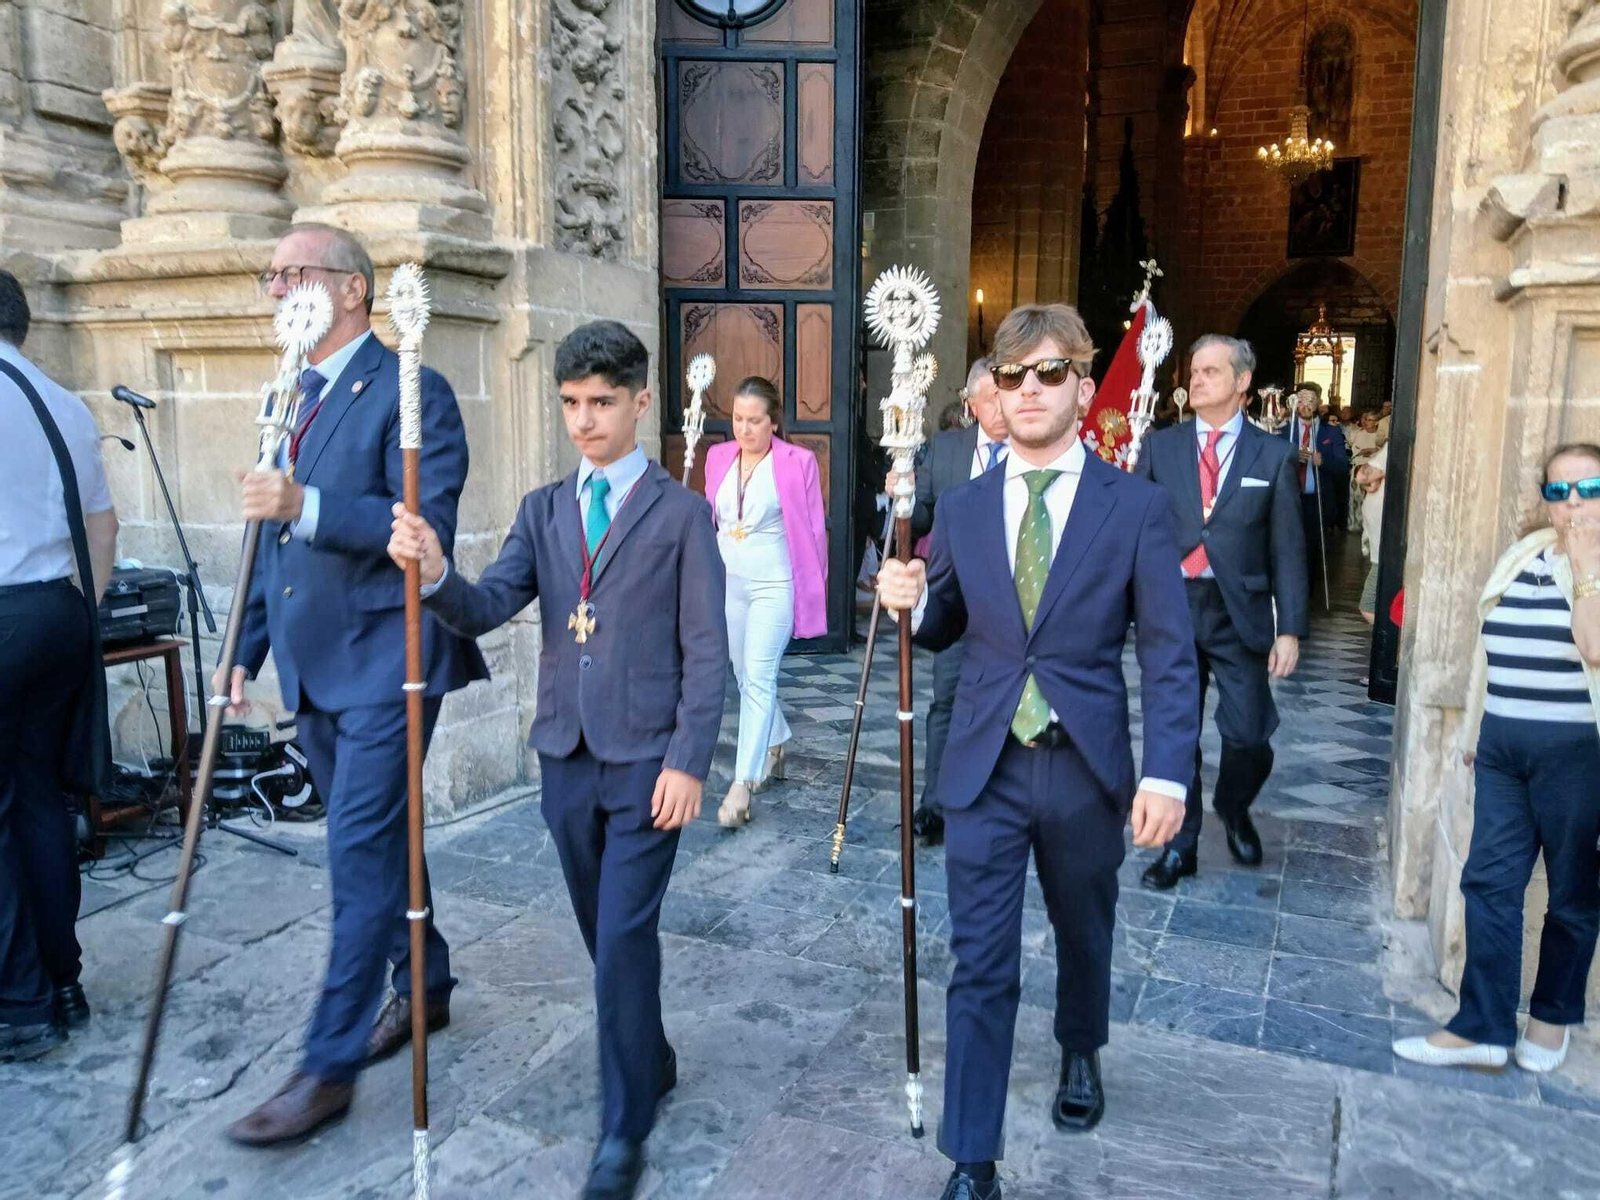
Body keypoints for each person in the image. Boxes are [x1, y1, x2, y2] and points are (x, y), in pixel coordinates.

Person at [388, 320, 727, 1199]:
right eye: (571, 404)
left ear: (641, 402)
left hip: (650, 759)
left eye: (602, 403)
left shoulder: (682, 514)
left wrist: (689, 760)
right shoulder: (543, 509)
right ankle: (648, 1052)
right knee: (604, 933)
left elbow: (706, 649)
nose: (584, 421)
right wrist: (433, 574)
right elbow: (488, 601)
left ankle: (624, 1130)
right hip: (566, 757)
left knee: (620, 932)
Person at [876, 304, 1197, 1200]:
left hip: (1083, 762)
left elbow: (1170, 654)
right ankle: (972, 1156)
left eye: (1049, 373)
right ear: (993, 392)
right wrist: (910, 598)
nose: (1027, 390)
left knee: (1083, 928)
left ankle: (1081, 1047)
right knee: (980, 959)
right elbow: (947, 623)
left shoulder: (1134, 508)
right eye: (1011, 375)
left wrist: (1166, 773)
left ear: (1084, 388)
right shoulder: (970, 506)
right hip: (984, 764)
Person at [222, 225, 487, 1145]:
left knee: (356, 853)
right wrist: (242, 652)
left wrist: (310, 504)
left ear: (351, 291)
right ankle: (427, 983)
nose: (276, 289)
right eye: (272, 275)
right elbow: (271, 547)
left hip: (390, 660)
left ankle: (326, 1067)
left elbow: (422, 525)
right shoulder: (285, 395)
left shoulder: (413, 390)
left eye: (293, 273)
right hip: (317, 663)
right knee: (376, 838)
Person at [1394, 443, 1600, 1076]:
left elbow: (1594, 649)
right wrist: (1479, 732)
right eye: (1559, 491)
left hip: (1577, 751)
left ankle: (1551, 1017)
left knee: (1570, 893)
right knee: (1489, 883)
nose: (1572, 505)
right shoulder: (1523, 558)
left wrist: (1588, 565)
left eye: (1588, 490)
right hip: (1505, 747)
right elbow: (1490, 654)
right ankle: (1482, 1024)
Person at [1136, 335, 1308, 891]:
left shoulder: (1274, 455)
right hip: (1176, 608)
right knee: (1176, 734)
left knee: (1249, 735)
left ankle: (1233, 806)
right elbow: (1137, 529)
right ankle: (1180, 847)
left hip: (1241, 615)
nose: (1198, 379)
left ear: (1242, 382)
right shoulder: (1162, 448)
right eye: (1195, 370)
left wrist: (1292, 630)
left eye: (1212, 371)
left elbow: (1288, 549)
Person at [0, 269, 117, 1062]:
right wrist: (81, 614)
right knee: (39, 798)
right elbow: (102, 529)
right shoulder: (65, 404)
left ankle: (21, 1003)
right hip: (56, 614)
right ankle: (64, 976)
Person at [701, 376, 827, 827]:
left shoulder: (798, 462)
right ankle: (776, 740)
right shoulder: (717, 457)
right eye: (737, 419)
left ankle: (742, 784)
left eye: (755, 421)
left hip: (775, 582)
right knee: (742, 671)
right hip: (729, 581)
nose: (744, 429)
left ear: (774, 422)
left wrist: (814, 591)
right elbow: (708, 516)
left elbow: (813, 531)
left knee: (758, 675)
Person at [894, 357, 1009, 847]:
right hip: (956, 599)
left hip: (1017, 600)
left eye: (1004, 397)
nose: (1001, 410)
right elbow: (922, 516)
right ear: (972, 404)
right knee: (946, 701)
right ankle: (934, 805)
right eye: (989, 400)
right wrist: (902, 496)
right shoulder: (946, 449)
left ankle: (998, 800)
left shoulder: (1033, 450)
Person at [1283, 384, 1349, 599]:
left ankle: (1307, 599)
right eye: (1301, 401)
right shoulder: (1284, 429)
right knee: (1287, 549)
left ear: (1319, 403)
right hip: (1289, 499)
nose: (1306, 406)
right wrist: (1291, 457)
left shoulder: (1331, 431)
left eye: (1311, 401)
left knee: (1312, 551)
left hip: (1317, 500)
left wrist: (1323, 460)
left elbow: (1342, 466)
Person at [1357, 443, 1389, 625]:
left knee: (1368, 606)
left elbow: (1362, 475)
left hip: (1384, 551)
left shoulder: (1397, 443)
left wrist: (1368, 475)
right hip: (1380, 546)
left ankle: (1394, 646)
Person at [1346, 410, 1383, 533]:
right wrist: (1363, 452)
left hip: (1373, 472)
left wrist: (1374, 450)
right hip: (1358, 468)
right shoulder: (1360, 434)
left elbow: (1382, 453)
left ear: (1377, 423)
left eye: (1370, 420)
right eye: (1366, 419)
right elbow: (1356, 449)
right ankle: (1355, 523)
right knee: (1355, 498)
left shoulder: (1379, 436)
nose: (1367, 422)